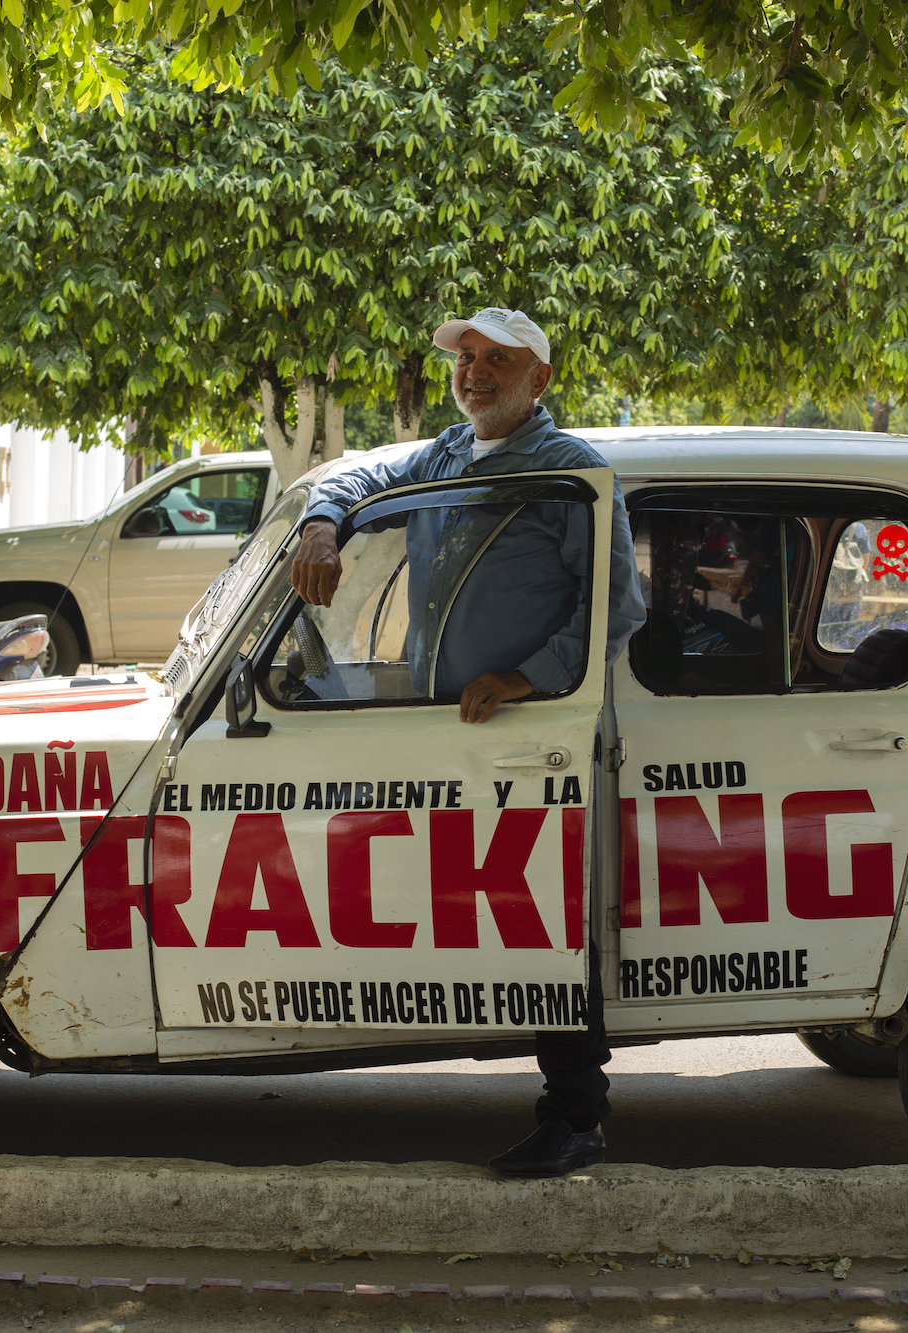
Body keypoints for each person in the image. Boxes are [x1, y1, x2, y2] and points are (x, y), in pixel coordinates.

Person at [291, 307, 647, 1178]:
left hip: (532, 733)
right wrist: (323, 523)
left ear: (540, 381)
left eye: (498, 360)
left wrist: (526, 675)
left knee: (547, 920)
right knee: (483, 915)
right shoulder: (445, 454)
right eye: (468, 357)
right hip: (448, 736)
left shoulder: (573, 472)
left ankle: (577, 1117)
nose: (475, 371)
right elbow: (359, 474)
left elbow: (617, 606)